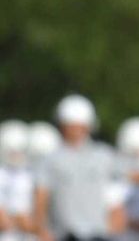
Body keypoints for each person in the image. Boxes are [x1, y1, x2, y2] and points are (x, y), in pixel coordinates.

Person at [34, 94, 122, 241]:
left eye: (80, 126)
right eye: (71, 125)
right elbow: (41, 197)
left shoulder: (103, 156)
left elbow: (115, 195)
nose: (76, 130)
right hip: (64, 234)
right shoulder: (51, 159)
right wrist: (41, 229)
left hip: (98, 234)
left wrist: (114, 222)